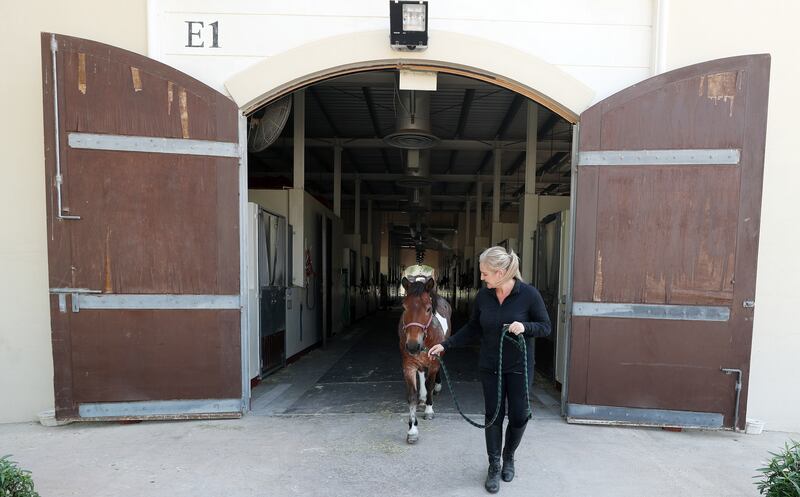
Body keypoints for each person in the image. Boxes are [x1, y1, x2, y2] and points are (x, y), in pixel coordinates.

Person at [428, 246, 551, 494]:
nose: (482, 277)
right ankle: (494, 465)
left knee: (519, 415)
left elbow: (546, 326)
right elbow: (473, 328)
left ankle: (509, 456)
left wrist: (525, 327)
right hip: (490, 366)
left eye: (485, 273)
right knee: (493, 415)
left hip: (518, 367)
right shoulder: (484, 297)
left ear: (501, 272)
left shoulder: (528, 295)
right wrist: (445, 344)